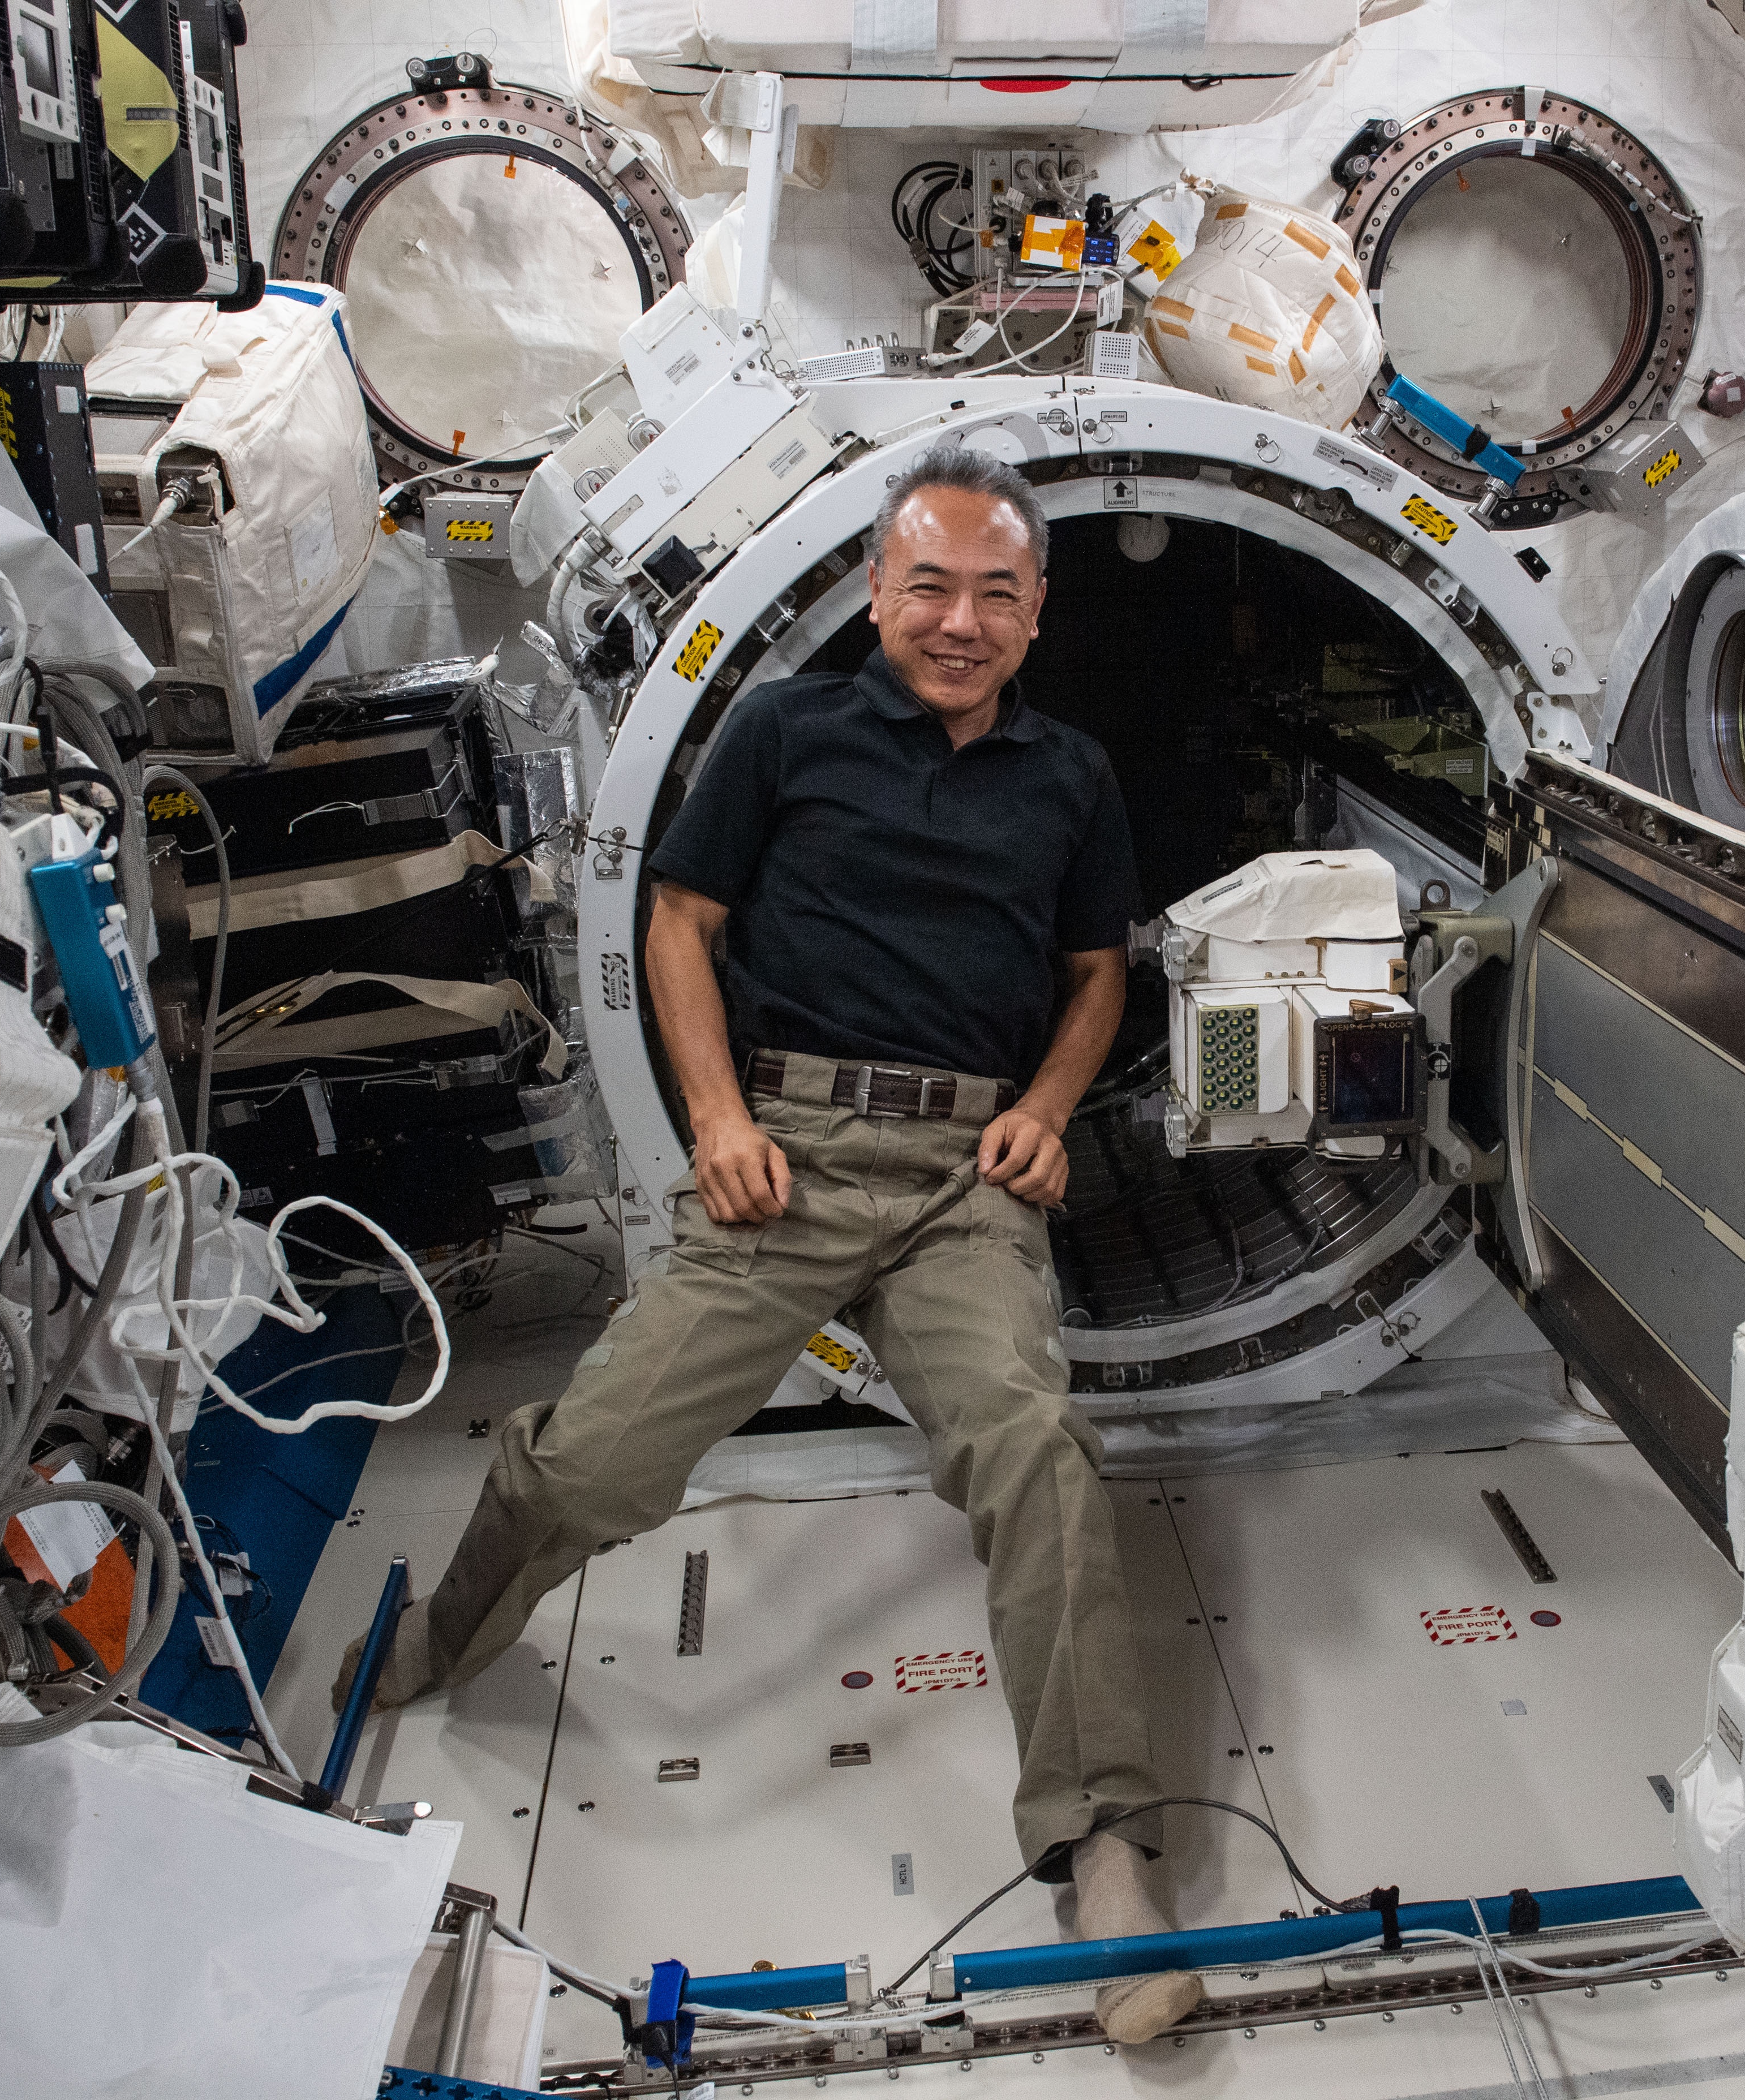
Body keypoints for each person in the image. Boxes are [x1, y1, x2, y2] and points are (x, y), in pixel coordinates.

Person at [331, 444, 1203, 2044]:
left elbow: (1097, 974)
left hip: (964, 1176)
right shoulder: (785, 728)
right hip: (784, 1157)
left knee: (1033, 1445)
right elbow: (681, 923)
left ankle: (1103, 1843)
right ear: (878, 589)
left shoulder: (1070, 778)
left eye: (993, 595)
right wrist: (720, 1118)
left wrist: (1055, 1109)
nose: (958, 619)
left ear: (1036, 615)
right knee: (596, 1461)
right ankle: (447, 1628)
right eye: (928, 585)